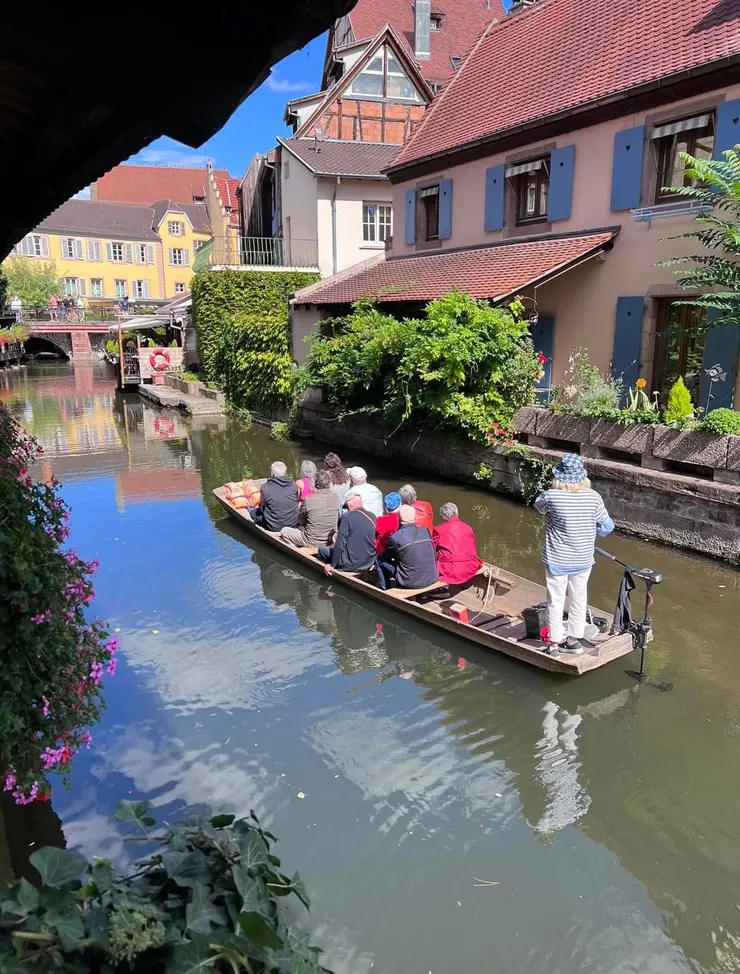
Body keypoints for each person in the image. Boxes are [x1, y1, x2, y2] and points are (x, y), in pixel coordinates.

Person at [534, 454, 614, 655]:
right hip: (583, 558)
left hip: (557, 559)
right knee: (579, 598)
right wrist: (586, 531)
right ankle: (573, 641)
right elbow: (606, 527)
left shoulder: (550, 496)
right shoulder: (593, 497)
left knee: (556, 600)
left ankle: (553, 644)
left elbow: (539, 508)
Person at [376, 504, 439, 591]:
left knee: (379, 559)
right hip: (432, 577)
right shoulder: (425, 531)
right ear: (414, 518)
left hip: (410, 581)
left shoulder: (396, 537)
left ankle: (385, 589)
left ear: (398, 519)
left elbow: (387, 556)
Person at [318, 492, 377, 575]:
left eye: (346, 507)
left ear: (349, 504)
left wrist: (332, 565)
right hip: (368, 562)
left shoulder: (347, 517)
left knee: (322, 549)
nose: (347, 509)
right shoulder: (372, 516)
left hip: (350, 564)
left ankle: (337, 567)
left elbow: (340, 544)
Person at [281, 470, 339, 548]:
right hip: (329, 540)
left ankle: (295, 547)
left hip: (312, 541)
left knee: (284, 530)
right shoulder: (336, 497)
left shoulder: (308, 500)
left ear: (315, 483)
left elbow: (300, 520)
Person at [432, 502, 483, 586]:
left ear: (443, 516)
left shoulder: (438, 530)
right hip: (470, 566)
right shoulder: (468, 527)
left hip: (451, 569)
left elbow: (431, 547)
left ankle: (440, 589)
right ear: (457, 513)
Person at [249, 461, 299, 532]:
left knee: (252, 512)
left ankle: (250, 510)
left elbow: (261, 509)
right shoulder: (293, 485)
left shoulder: (265, 487)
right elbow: (296, 502)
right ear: (285, 472)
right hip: (293, 523)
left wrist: (253, 511)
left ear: (272, 473)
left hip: (274, 526)